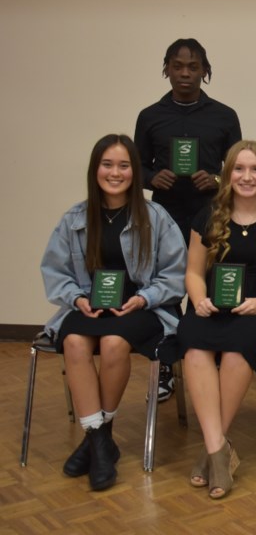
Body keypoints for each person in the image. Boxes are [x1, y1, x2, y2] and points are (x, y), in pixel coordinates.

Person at [40, 134, 186, 491]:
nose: (115, 172)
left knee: (114, 342)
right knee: (74, 341)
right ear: (95, 170)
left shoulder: (156, 216)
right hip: (91, 301)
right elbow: (54, 271)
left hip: (142, 305)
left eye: (123, 165)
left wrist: (143, 298)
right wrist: (76, 299)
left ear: (135, 172)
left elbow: (175, 274)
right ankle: (101, 440)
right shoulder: (75, 217)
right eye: (107, 164)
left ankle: (96, 443)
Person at [178, 141, 256, 500]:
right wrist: (198, 299)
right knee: (195, 347)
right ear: (227, 174)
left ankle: (212, 453)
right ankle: (219, 450)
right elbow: (194, 272)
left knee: (237, 351)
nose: (247, 177)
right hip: (212, 306)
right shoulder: (207, 215)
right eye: (239, 169)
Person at [135, 38, 242, 402]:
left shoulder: (224, 116)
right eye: (177, 66)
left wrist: (214, 179)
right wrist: (152, 178)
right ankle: (167, 365)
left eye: (193, 67)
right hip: (164, 217)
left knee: (210, 286)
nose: (184, 73)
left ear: (205, 71)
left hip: (212, 216)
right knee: (167, 288)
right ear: (166, 69)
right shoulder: (150, 116)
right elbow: (137, 167)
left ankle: (208, 357)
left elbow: (239, 171)